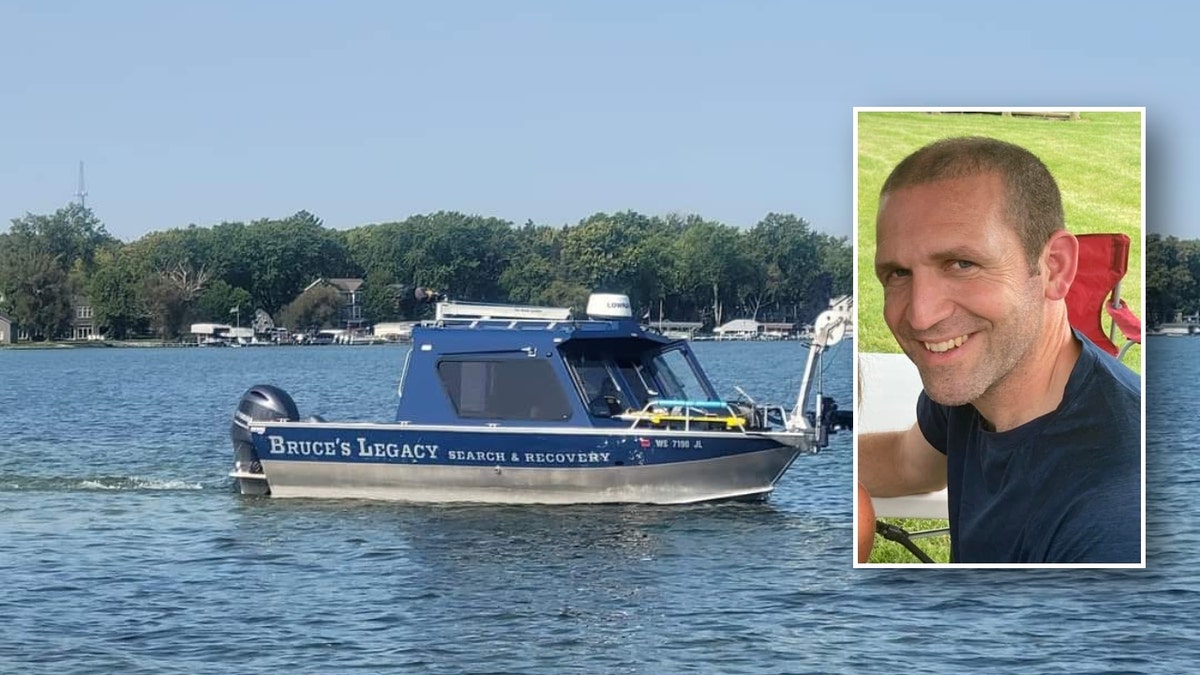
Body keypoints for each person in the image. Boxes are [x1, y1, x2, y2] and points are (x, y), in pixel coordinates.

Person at [858, 136, 1141, 564]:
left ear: (1055, 268)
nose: (920, 315)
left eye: (962, 264)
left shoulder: (1112, 515)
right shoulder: (980, 380)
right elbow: (908, 463)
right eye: (898, 272)